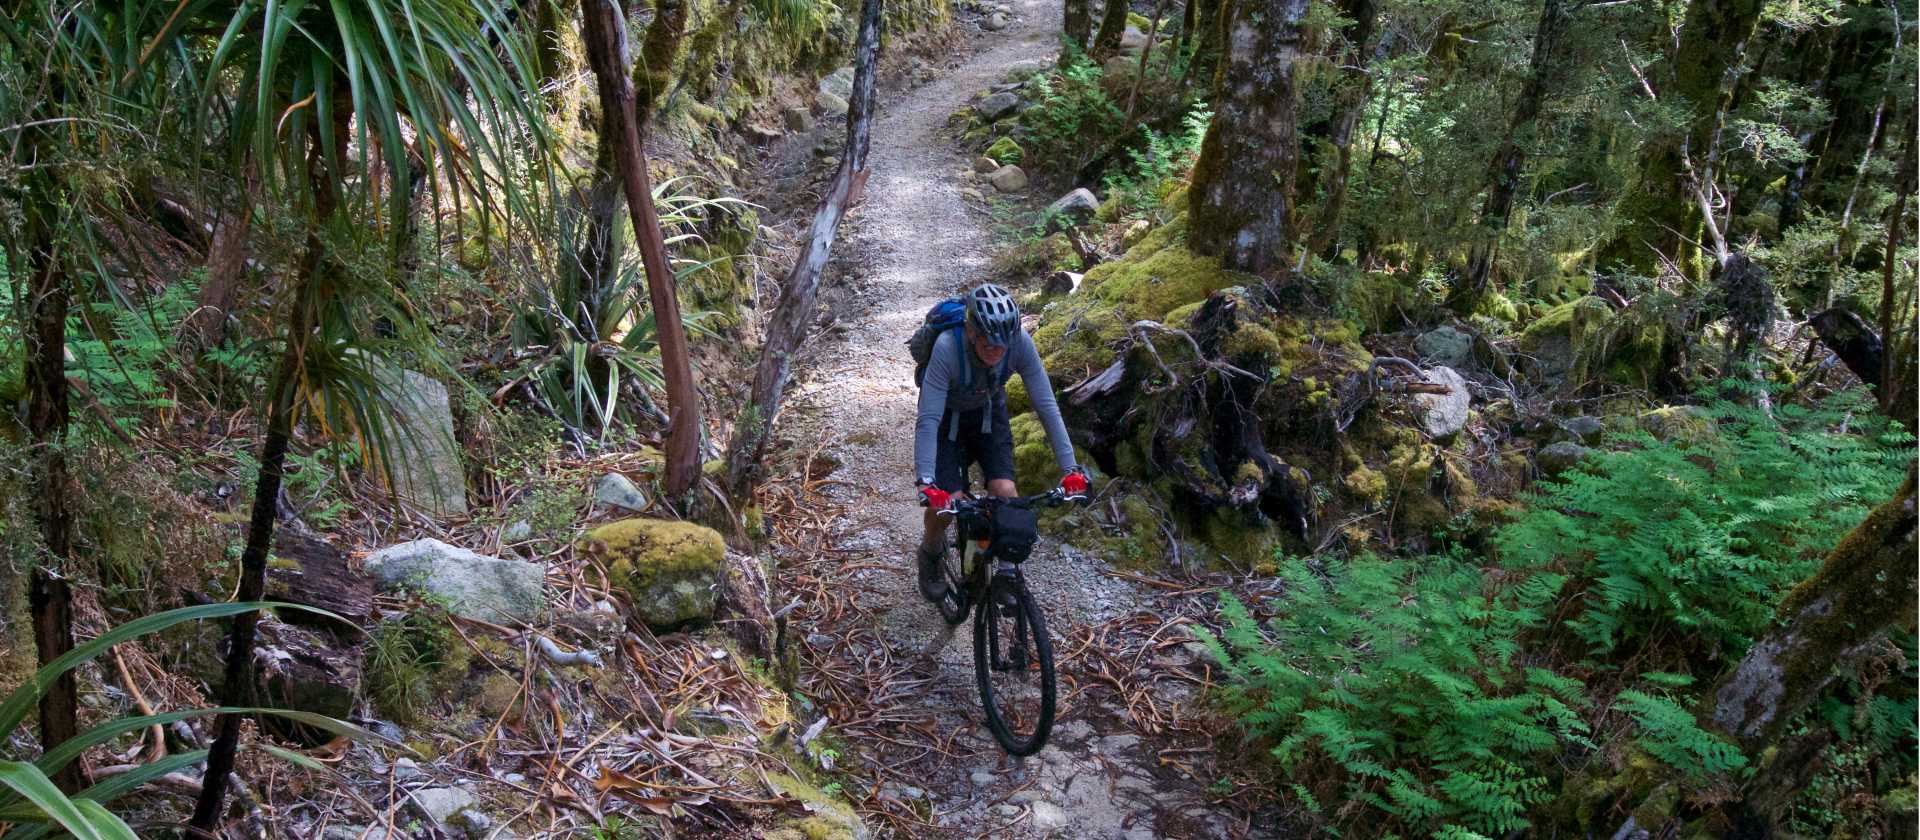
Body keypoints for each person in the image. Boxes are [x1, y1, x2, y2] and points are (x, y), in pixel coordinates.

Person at [913, 283, 1088, 601]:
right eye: (988, 344)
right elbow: (928, 420)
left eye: (1002, 345)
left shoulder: (1018, 343)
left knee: (1005, 493)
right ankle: (931, 553)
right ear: (970, 331)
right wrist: (926, 480)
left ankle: (1007, 574)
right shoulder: (947, 349)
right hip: (945, 421)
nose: (996, 351)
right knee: (947, 504)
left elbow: (1046, 406)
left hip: (989, 414)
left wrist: (1070, 468)